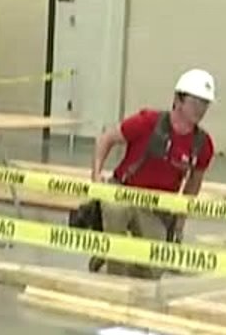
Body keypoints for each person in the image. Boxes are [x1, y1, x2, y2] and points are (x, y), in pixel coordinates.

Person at [86, 68, 216, 278]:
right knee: (116, 211)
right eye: (195, 102)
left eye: (205, 104)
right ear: (178, 99)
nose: (200, 109)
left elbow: (194, 184)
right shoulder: (147, 122)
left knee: (153, 271)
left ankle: (108, 259)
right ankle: (114, 273)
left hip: (155, 207)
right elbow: (106, 138)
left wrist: (180, 220)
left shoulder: (202, 144)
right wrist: (96, 177)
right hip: (123, 192)